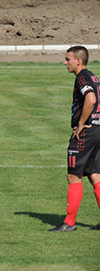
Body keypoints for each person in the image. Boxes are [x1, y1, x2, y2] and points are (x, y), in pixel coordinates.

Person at [49, 46, 100, 231]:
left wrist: (80, 124)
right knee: (95, 175)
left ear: (78, 61)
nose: (65, 62)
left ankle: (69, 223)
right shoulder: (93, 76)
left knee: (74, 176)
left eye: (67, 59)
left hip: (86, 132)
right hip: (97, 130)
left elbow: (91, 99)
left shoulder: (82, 77)